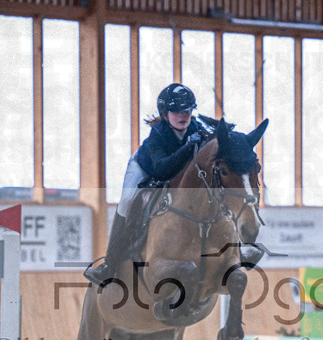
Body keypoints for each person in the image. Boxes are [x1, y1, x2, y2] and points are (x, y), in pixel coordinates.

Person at [84, 83, 224, 285]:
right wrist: (189, 147)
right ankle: (110, 264)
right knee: (126, 202)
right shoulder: (157, 136)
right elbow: (161, 170)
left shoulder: (196, 128)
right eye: (176, 112)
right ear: (165, 114)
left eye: (187, 110)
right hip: (146, 169)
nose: (183, 115)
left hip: (174, 174)